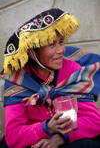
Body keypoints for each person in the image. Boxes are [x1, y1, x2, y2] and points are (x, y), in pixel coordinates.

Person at [0, 8, 100, 148]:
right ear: (32, 52)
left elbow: (93, 121)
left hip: (67, 139)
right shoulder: (18, 78)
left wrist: (60, 138)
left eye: (61, 42)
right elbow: (13, 134)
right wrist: (47, 128)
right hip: (32, 140)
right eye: (51, 44)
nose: (60, 50)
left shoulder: (73, 71)